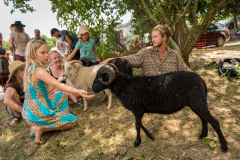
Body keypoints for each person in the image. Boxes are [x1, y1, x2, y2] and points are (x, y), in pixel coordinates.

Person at [21, 40, 95, 144]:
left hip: (29, 111)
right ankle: (41, 129)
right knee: (72, 121)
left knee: (62, 95)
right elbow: (58, 85)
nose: (47, 55)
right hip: (38, 111)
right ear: (33, 55)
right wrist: (79, 91)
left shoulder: (30, 69)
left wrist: (60, 84)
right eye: (43, 53)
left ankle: (48, 121)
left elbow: (45, 91)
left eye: (47, 52)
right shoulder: (39, 70)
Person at [101, 24, 192, 76]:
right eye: (152, 37)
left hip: (168, 100)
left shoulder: (174, 54)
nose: (152, 40)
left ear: (164, 37)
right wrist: (109, 60)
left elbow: (185, 69)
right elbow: (127, 59)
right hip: (149, 100)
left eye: (155, 37)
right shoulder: (146, 52)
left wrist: (198, 77)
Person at [3, 61, 25, 127]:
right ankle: (17, 116)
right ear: (15, 73)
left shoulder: (26, 80)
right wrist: (24, 111)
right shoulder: (12, 84)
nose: (25, 71)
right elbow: (6, 101)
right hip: (14, 109)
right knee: (14, 94)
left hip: (24, 105)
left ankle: (22, 114)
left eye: (25, 68)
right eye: (22, 70)